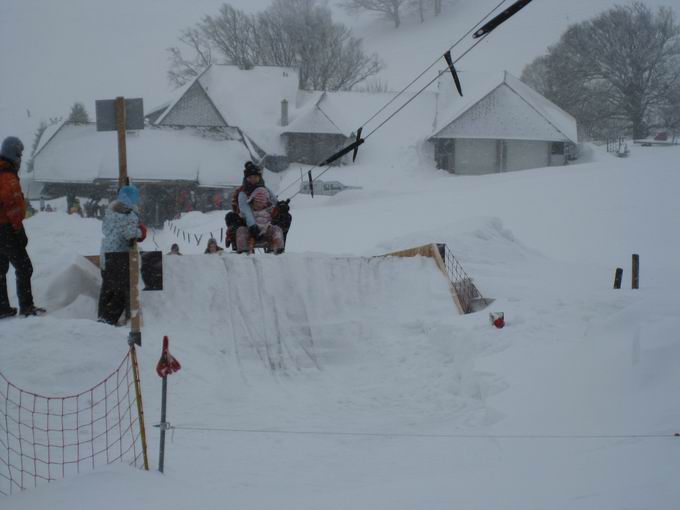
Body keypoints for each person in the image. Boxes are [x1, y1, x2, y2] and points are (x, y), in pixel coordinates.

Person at [0, 136, 45, 318]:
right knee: (24, 267)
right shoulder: (8, 177)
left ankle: (2, 308)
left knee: (1, 268)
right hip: (7, 229)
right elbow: (14, 206)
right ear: (14, 154)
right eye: (20, 154)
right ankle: (27, 307)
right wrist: (18, 231)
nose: (20, 158)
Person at [97, 185, 146, 325]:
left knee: (107, 290)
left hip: (106, 253)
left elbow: (105, 229)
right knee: (121, 292)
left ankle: (102, 317)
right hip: (119, 256)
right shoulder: (127, 213)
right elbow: (129, 234)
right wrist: (141, 232)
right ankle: (108, 321)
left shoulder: (111, 210)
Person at [235, 164, 284, 254]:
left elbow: (274, 202)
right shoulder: (243, 193)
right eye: (250, 177)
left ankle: (277, 248)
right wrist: (253, 227)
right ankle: (243, 252)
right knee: (240, 230)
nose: (253, 179)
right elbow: (246, 211)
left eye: (255, 177)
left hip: (266, 227)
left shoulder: (265, 189)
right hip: (250, 226)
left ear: (259, 177)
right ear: (247, 178)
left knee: (278, 229)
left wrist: (281, 206)